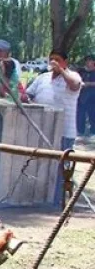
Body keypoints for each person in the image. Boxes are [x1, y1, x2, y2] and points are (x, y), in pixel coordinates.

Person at [25, 50, 82, 202]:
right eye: (51, 59)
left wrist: (61, 71)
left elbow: (75, 86)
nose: (53, 62)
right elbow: (28, 94)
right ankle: (38, 197)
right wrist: (26, 98)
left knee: (61, 166)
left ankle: (58, 200)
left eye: (57, 60)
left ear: (65, 62)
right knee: (41, 163)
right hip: (41, 126)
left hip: (64, 130)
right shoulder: (42, 77)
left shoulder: (72, 76)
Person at [77, 54, 95, 138]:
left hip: (93, 97)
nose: (88, 62)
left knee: (93, 114)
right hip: (82, 96)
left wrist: (89, 84)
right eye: (87, 60)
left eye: (90, 60)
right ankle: (80, 131)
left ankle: (93, 132)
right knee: (80, 114)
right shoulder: (81, 71)